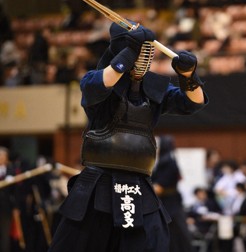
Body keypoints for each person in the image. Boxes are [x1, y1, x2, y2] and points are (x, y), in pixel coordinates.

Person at [49, 20, 207, 252]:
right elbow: (101, 84)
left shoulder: (153, 88)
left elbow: (194, 103)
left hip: (138, 184)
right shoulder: (97, 78)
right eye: (138, 51)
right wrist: (128, 53)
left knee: (151, 242)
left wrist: (189, 76)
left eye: (146, 52)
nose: (143, 59)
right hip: (99, 181)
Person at [152, 135, 194, 252]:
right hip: (164, 202)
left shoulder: (169, 163)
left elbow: (159, 188)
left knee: (178, 233)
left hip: (171, 204)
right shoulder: (159, 163)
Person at [0, 146, 15, 252]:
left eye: (2, 156)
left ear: (6, 158)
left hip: (6, 208)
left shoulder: (11, 171)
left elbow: (16, 192)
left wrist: (16, 208)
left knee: (5, 235)